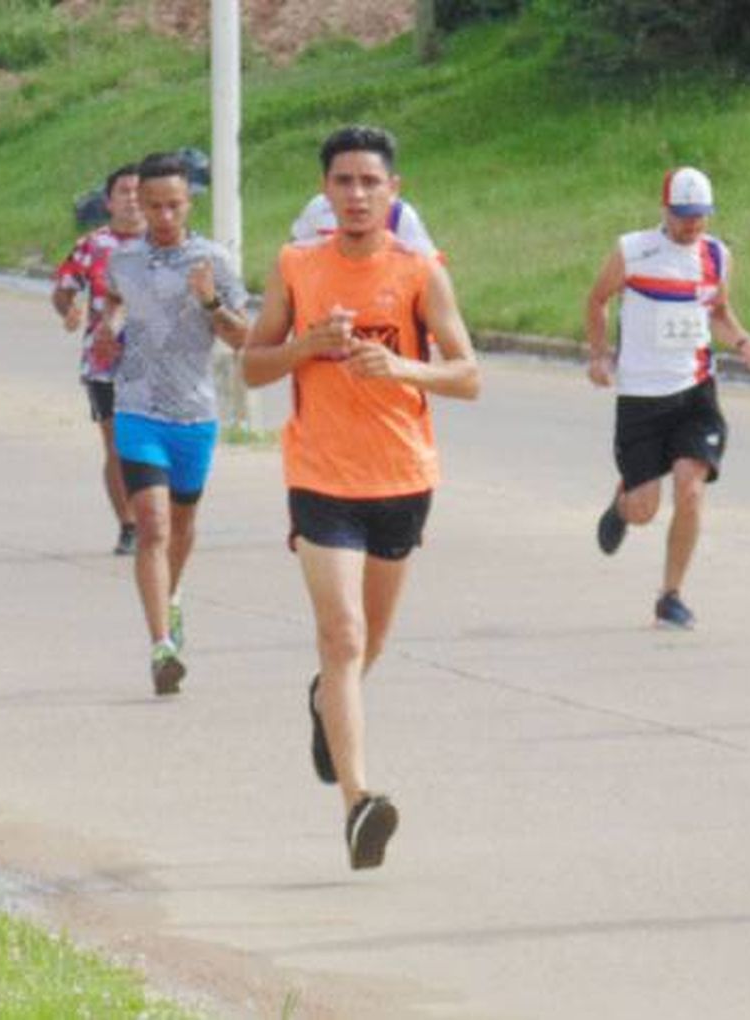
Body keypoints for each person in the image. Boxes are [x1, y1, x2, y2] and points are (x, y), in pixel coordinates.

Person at [242, 125, 480, 870]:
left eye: (370, 183)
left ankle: (325, 705)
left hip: (402, 479)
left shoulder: (419, 273)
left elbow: (468, 374)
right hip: (320, 478)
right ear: (325, 192)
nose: (355, 195)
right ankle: (359, 803)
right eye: (342, 182)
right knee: (342, 637)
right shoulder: (296, 266)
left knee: (369, 643)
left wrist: (402, 369)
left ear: (393, 192)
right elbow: (251, 368)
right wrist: (304, 347)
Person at [585, 167, 750, 629]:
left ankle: (670, 595)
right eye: (683, 215)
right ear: (665, 211)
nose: (692, 225)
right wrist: (598, 356)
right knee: (644, 510)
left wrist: (744, 344)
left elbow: (717, 311)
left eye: (700, 216)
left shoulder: (717, 255)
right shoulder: (633, 251)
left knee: (691, 489)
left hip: (695, 392)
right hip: (640, 397)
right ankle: (623, 502)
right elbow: (596, 300)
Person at [91, 152, 250, 696]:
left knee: (181, 526)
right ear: (139, 202)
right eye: (153, 204)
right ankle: (161, 646)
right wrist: (110, 326)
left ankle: (172, 600)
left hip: (195, 413)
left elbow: (242, 336)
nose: (162, 216)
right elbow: (115, 299)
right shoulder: (124, 260)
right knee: (152, 527)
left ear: (189, 202)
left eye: (173, 205)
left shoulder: (212, 261)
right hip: (137, 407)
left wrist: (208, 302)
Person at [51, 164, 145, 555]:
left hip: (159, 363)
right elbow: (63, 289)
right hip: (105, 362)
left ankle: (162, 516)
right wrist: (69, 309)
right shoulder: (92, 246)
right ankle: (129, 524)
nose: (133, 199)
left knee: (158, 441)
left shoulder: (167, 244)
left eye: (140, 191)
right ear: (109, 201)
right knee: (118, 445)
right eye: (124, 191)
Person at [290, 190, 438, 258]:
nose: (356, 191)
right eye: (344, 179)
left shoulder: (399, 213)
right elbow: (294, 253)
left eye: (368, 180)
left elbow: (431, 267)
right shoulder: (318, 207)